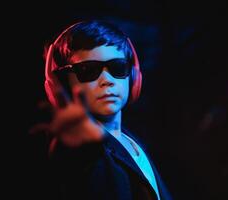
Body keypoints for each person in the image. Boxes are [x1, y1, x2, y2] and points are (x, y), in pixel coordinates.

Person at [29, 19, 173, 200]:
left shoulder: (133, 140)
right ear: (62, 84)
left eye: (118, 67)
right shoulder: (78, 152)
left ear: (133, 75)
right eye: (88, 70)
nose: (107, 80)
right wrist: (77, 151)